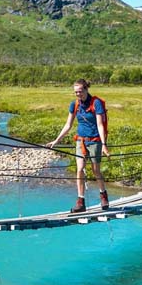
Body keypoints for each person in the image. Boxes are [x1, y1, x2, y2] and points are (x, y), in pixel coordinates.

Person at [46, 79, 110, 213]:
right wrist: (56, 141)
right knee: (80, 169)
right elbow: (68, 125)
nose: (78, 94)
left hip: (95, 140)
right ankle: (80, 201)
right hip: (80, 141)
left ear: (86, 89)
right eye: (76, 92)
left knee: (95, 170)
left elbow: (99, 125)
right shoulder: (74, 105)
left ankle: (103, 195)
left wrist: (104, 144)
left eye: (80, 91)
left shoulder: (96, 103)